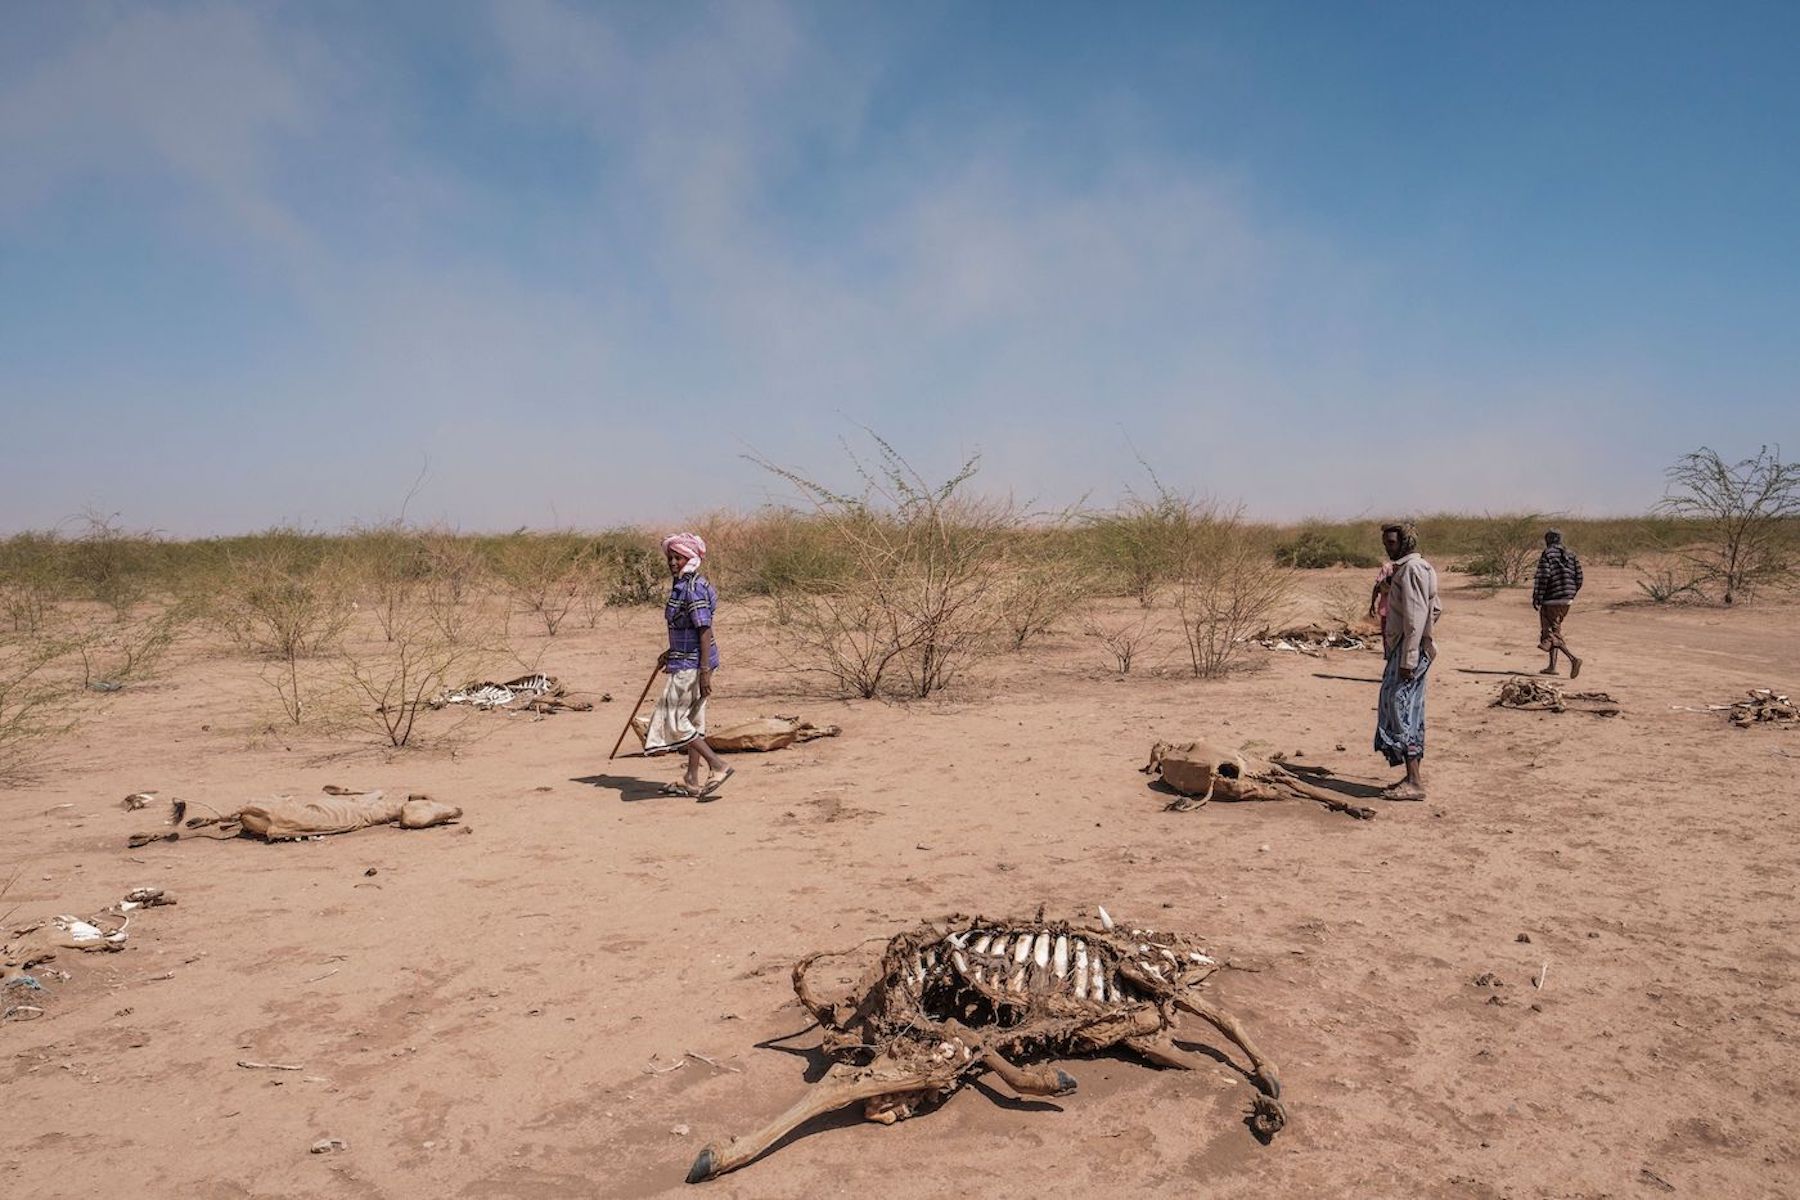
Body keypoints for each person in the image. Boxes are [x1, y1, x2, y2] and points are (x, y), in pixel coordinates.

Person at [642, 532, 734, 799]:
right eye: (670, 557)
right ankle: (691, 779)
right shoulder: (683, 585)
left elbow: (704, 630)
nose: (672, 562)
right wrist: (670, 651)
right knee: (693, 719)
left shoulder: (692, 589)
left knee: (673, 719)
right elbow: (689, 630)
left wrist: (704, 672)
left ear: (690, 558)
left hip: (692, 665)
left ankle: (718, 766)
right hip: (686, 658)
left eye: (678, 557)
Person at [1374, 522, 1440, 801]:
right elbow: (1434, 609)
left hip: (1408, 651)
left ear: (1405, 542)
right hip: (1409, 647)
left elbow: (1416, 616)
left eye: (1391, 542)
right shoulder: (1416, 567)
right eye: (1385, 542)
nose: (1386, 547)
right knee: (1407, 709)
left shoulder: (1412, 570)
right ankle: (1411, 777)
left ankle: (1414, 782)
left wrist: (1409, 656)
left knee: (1400, 710)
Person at [1531, 529, 1584, 678]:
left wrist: (1537, 596)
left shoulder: (1547, 554)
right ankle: (1552, 666)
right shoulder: (1571, 554)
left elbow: (1543, 577)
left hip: (1551, 598)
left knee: (1550, 634)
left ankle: (1573, 659)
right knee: (1555, 629)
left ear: (1549, 540)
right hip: (1566, 599)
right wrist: (1570, 593)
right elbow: (1579, 577)